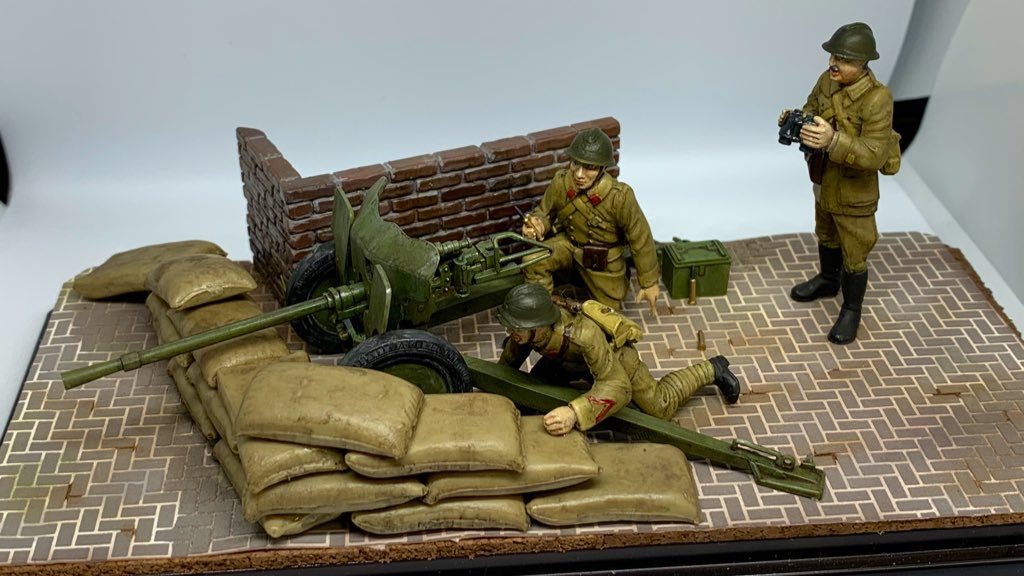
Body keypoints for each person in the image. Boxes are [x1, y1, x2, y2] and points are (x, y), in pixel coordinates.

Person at [781, 22, 900, 345]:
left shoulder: (877, 98)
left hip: (854, 191)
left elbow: (874, 153)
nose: (834, 64)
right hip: (824, 178)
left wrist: (833, 140)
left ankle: (851, 308)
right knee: (826, 232)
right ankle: (827, 279)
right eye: (833, 56)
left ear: (862, 64)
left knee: (855, 252)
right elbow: (812, 107)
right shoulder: (827, 80)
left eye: (844, 60)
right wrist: (798, 121)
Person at [495, 283, 741, 435]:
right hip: (568, 363)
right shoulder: (523, 334)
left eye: (515, 327)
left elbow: (618, 386)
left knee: (660, 407)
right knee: (529, 396)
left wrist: (574, 413)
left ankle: (712, 369)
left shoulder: (583, 335)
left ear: (538, 326)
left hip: (615, 359)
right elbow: (507, 367)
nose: (510, 332)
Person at [521, 127, 661, 314]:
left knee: (607, 316)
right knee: (533, 259)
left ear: (603, 168)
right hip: (569, 246)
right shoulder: (561, 182)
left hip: (603, 260)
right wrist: (537, 225)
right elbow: (544, 212)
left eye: (590, 167)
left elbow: (640, 237)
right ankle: (541, 313)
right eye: (575, 164)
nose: (579, 174)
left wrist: (649, 282)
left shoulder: (619, 196)